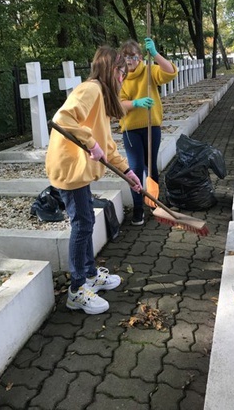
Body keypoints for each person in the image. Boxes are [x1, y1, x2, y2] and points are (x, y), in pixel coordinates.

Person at [46, 46, 142, 315]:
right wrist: (89, 143)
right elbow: (62, 118)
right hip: (71, 169)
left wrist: (128, 173)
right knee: (83, 224)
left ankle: (89, 274)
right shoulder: (90, 89)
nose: (124, 78)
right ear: (113, 70)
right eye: (123, 72)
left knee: (86, 221)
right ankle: (76, 291)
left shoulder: (102, 95)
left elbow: (107, 145)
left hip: (80, 168)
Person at [119, 37, 178, 225]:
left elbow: (170, 73)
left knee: (150, 166)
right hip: (131, 130)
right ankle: (138, 209)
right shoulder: (120, 77)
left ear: (140, 57)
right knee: (135, 169)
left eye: (134, 57)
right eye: (126, 57)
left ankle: (154, 202)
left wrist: (155, 54)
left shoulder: (149, 71)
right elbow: (117, 104)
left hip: (152, 127)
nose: (130, 61)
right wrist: (135, 103)